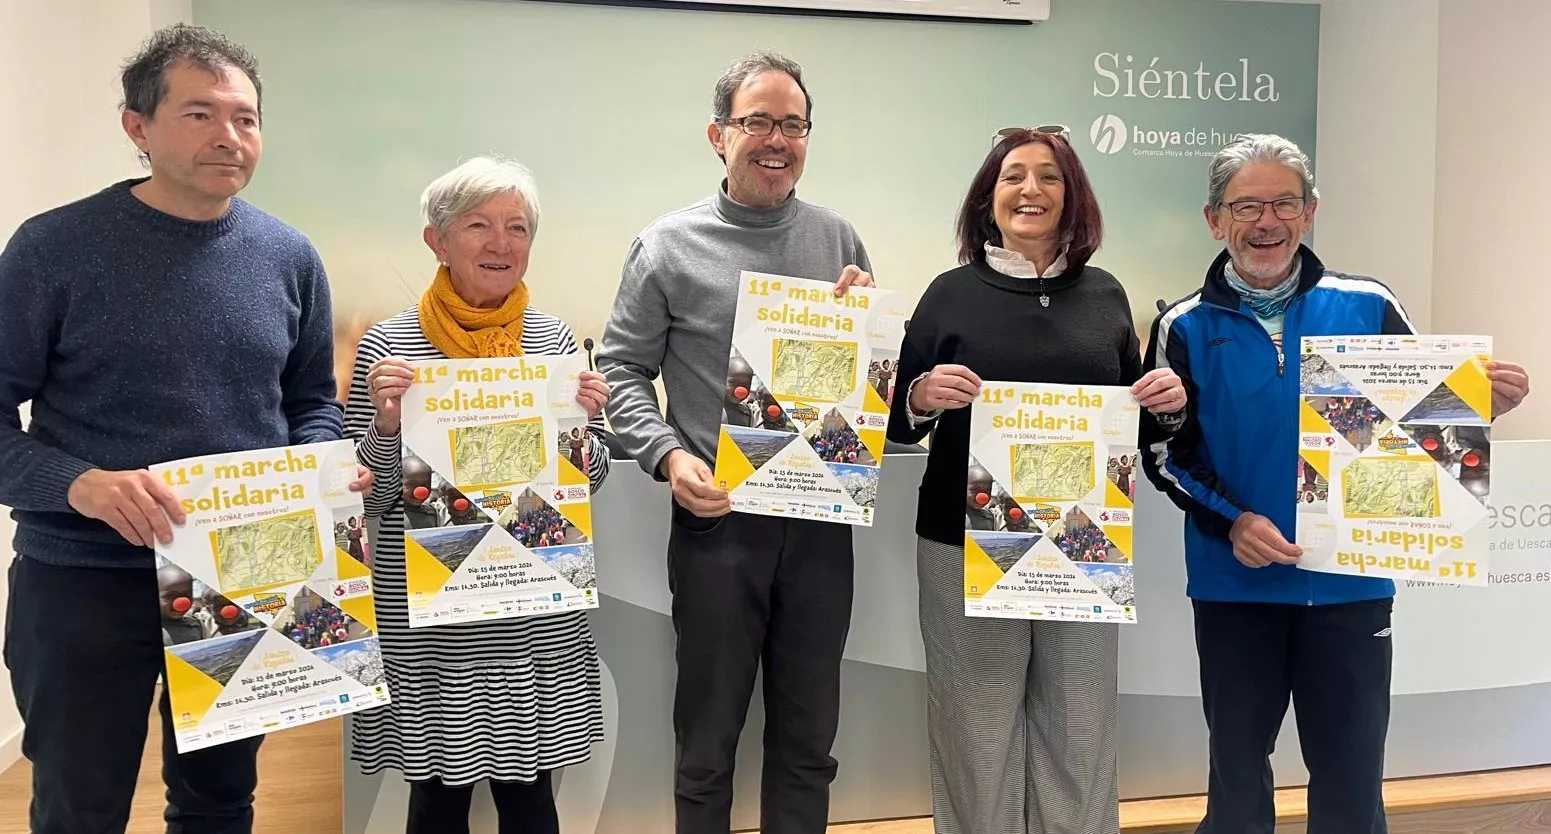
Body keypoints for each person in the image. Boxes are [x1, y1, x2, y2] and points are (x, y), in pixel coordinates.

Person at [0, 23, 369, 834]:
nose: (229, 136)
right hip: (83, 577)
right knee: (77, 807)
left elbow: (310, 397)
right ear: (138, 127)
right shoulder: (51, 250)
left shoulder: (289, 256)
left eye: (245, 117)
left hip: (242, 568)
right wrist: (76, 483)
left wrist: (321, 460)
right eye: (200, 114)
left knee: (219, 802)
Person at [1138, 133, 1531, 834]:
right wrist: (1234, 522)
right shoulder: (1183, 324)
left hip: (1350, 585)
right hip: (1237, 586)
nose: (1267, 222)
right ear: (1213, 219)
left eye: (1284, 204)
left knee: (1351, 786)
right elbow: (1166, 455)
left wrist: (1480, 408)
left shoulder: (1367, 302)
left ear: (1309, 211)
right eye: (1246, 206)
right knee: (1234, 785)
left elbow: (1422, 419)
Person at [597, 51, 874, 834]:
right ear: (718, 134)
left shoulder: (838, 238)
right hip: (717, 526)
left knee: (808, 742)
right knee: (707, 743)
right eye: (757, 122)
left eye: (792, 123)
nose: (775, 139)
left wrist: (865, 330)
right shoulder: (666, 244)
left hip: (821, 528)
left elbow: (868, 390)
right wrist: (667, 455)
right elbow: (620, 368)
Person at [885, 127, 1187, 834]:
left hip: (1082, 544)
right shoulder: (947, 295)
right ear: (987, 201)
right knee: (974, 727)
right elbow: (890, 423)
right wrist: (920, 395)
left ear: (1071, 195)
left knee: (1079, 727)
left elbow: (1126, 427)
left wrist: (1166, 409)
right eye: (1012, 176)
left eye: (1048, 176)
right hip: (962, 544)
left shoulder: (1107, 295)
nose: (1030, 190)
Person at [345, 155, 613, 834]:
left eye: (516, 227)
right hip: (432, 622)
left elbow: (587, 479)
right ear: (436, 239)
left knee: (531, 799)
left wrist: (586, 426)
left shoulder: (551, 341)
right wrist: (384, 425)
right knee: (438, 801)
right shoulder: (390, 346)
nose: (501, 243)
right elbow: (362, 500)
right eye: (479, 226)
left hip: (531, 613)